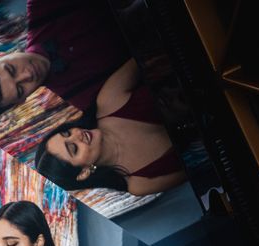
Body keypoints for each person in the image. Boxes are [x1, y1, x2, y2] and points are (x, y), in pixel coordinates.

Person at [35, 58, 187, 196]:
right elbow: (200, 167)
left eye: (67, 133)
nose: (77, 135)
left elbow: (151, 54)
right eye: (73, 148)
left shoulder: (109, 100)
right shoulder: (139, 183)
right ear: (84, 173)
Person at [0, 0, 129, 116]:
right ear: (21, 101)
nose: (27, 75)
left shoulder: (42, 7)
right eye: (20, 89)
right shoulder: (85, 98)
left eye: (11, 69)